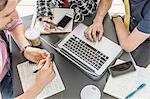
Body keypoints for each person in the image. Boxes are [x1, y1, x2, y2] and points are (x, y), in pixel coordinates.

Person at [0, 0, 56, 98]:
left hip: (8, 66)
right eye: (7, 14)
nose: (16, 17)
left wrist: (25, 48)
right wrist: (38, 87)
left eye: (14, 9)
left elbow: (14, 24)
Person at [85, 0, 150, 52]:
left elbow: (127, 46)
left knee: (128, 64)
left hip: (146, 39)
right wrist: (98, 21)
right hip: (134, 20)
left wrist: (116, 18)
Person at [36, 0, 111, 32]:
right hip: (57, 12)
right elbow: (43, 1)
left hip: (82, 16)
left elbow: (89, 11)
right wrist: (46, 16)